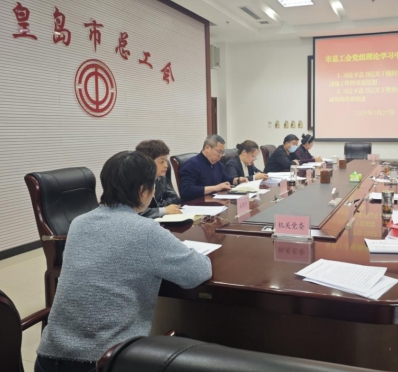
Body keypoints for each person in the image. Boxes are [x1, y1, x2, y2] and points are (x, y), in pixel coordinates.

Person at [35, 151, 212, 372]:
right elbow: (198, 272)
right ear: (143, 191)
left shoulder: (79, 223)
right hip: (106, 363)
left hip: (48, 360)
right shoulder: (145, 231)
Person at [179, 135, 248, 202]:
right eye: (219, 152)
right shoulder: (191, 164)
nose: (220, 156)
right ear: (207, 148)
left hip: (214, 202)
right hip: (196, 204)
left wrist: (238, 180)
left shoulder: (217, 164)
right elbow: (186, 190)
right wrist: (216, 188)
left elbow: (226, 179)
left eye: (222, 153)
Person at [135, 139, 181, 218]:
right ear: (147, 162)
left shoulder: (160, 176)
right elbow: (134, 212)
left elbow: (175, 199)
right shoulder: (134, 181)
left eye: (166, 161)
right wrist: (163, 210)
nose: (166, 165)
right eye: (162, 162)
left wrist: (157, 207)